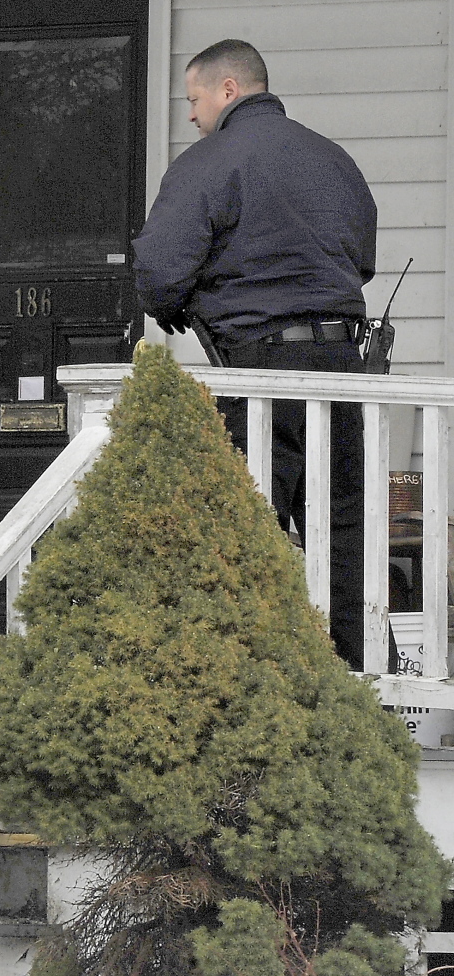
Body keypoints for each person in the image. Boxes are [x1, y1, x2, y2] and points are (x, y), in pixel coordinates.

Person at [131, 39, 378, 671]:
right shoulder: (335, 160)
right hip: (344, 368)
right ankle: (356, 677)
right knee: (341, 530)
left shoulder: (209, 163)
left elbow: (158, 270)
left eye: (195, 99)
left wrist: (177, 308)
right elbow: (363, 261)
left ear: (229, 90)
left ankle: (256, 676)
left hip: (259, 370)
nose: (191, 115)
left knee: (247, 525)